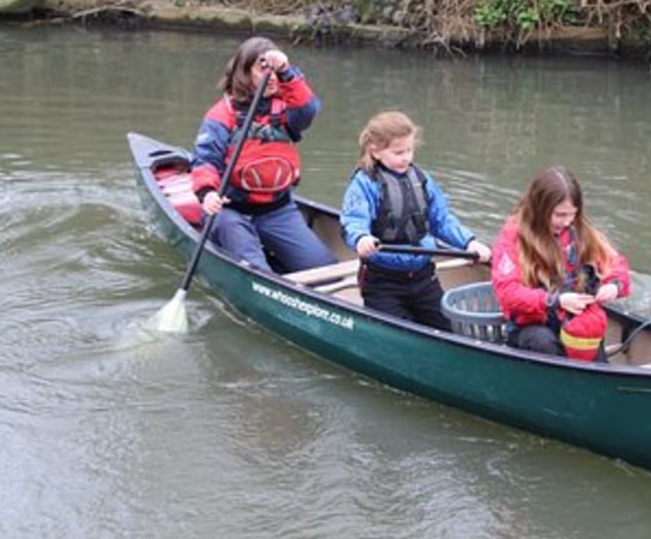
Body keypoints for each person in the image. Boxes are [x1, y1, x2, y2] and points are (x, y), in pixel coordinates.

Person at [191, 36, 338, 273]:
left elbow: (308, 109)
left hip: (277, 210)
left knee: (324, 269)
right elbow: (205, 160)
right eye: (262, 70)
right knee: (256, 270)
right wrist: (208, 193)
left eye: (274, 72)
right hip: (230, 211)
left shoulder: (288, 112)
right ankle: (257, 263)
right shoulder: (221, 115)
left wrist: (286, 71)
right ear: (245, 73)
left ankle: (276, 259)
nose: (271, 78)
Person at [340, 111, 492, 329]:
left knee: (450, 329)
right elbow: (353, 221)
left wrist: (469, 242)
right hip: (383, 281)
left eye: (409, 150)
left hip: (423, 277)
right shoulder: (364, 184)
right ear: (375, 152)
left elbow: (442, 220)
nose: (406, 158)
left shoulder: (422, 180)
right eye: (398, 152)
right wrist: (362, 238)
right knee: (399, 331)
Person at [490, 166, 631, 360]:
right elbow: (507, 293)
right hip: (531, 326)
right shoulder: (513, 236)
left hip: (570, 318)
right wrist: (555, 301)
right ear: (540, 209)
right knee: (544, 343)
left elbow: (616, 265)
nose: (567, 222)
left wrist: (615, 286)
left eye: (572, 214)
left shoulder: (579, 230)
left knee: (591, 328)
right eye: (559, 215)